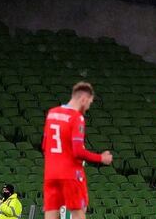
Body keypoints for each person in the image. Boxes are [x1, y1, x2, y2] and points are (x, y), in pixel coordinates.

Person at [42, 82, 113, 219]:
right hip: (70, 174)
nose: (87, 107)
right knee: (78, 212)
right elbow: (78, 151)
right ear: (83, 99)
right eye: (89, 103)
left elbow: (45, 145)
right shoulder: (76, 118)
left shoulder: (52, 114)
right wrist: (101, 158)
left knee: (51, 213)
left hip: (51, 173)